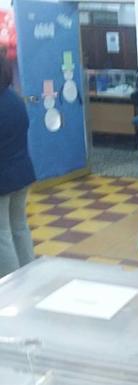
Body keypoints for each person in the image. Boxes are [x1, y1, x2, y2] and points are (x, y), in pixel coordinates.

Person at [0, 48, 36, 277]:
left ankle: (9, 286)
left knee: (2, 234)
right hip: (22, 173)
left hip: (3, 179)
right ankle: (29, 275)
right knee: (19, 227)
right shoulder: (14, 98)